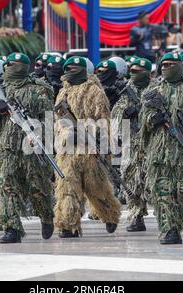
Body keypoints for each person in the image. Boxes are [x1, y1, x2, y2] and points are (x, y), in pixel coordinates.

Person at [0, 52, 55, 243]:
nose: (7, 68)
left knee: (38, 187)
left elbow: (49, 118)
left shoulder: (39, 89)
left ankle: (46, 217)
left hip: (31, 147)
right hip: (8, 147)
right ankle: (12, 229)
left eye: (12, 64)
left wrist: (38, 134)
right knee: (7, 187)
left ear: (23, 67)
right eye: (6, 65)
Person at [139, 52, 183, 244]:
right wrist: (153, 119)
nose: (165, 68)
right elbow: (143, 119)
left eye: (170, 64)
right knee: (163, 192)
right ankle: (170, 230)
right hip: (160, 151)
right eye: (163, 64)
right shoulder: (154, 90)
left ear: (179, 66)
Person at [54, 56, 121, 238]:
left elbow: (103, 120)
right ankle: (68, 225)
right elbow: (58, 120)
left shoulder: (95, 92)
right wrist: (64, 136)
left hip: (90, 149)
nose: (70, 71)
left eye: (75, 68)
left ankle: (110, 215)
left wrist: (99, 144)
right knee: (67, 187)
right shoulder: (63, 92)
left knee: (97, 188)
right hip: (68, 150)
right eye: (68, 68)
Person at [112, 57, 155, 232]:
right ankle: (136, 216)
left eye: (138, 71)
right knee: (131, 181)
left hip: (152, 142)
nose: (134, 74)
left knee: (153, 181)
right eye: (132, 71)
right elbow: (116, 113)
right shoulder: (125, 90)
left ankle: (167, 217)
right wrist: (125, 112)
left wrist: (142, 112)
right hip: (131, 142)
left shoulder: (155, 89)